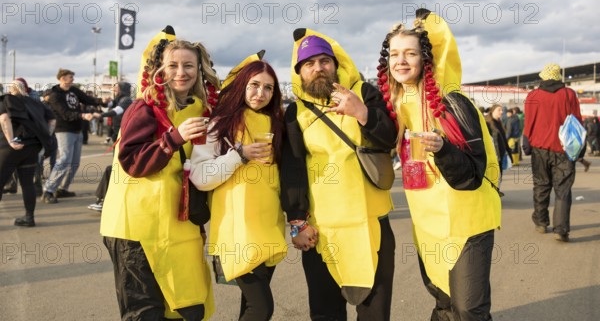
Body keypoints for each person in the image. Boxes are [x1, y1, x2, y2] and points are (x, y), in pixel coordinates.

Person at [379, 9, 501, 320]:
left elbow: (473, 173)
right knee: (444, 301)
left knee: (469, 309)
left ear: (426, 59)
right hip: (427, 223)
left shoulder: (452, 102)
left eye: (410, 53)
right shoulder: (401, 102)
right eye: (394, 54)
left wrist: (442, 148)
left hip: (467, 221)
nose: (401, 61)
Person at [100, 26, 219, 320]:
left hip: (177, 225)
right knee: (145, 312)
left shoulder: (200, 110)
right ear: (159, 71)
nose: (181, 72)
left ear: (199, 69)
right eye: (173, 65)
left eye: (188, 65)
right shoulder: (143, 108)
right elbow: (132, 161)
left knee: (187, 306)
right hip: (134, 229)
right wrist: (173, 139)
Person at [281, 31, 397, 320]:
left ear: (335, 64)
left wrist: (362, 113)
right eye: (309, 64)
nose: (318, 68)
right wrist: (296, 223)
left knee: (375, 313)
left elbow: (389, 139)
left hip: (372, 223)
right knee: (326, 314)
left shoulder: (364, 92)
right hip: (322, 232)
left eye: (324, 61)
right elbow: (292, 168)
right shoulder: (296, 112)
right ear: (299, 73)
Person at [190, 54, 287, 321]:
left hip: (269, 226)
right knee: (261, 308)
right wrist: (239, 154)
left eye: (268, 88)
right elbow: (200, 176)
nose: (261, 93)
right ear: (242, 84)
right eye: (254, 85)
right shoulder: (218, 124)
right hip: (237, 231)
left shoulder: (278, 124)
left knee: (249, 307)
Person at [523, 63, 583, 242]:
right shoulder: (569, 94)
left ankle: (541, 223)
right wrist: (581, 148)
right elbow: (577, 121)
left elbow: (529, 122)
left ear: (543, 77)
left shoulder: (533, 95)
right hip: (564, 148)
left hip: (539, 148)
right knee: (563, 189)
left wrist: (526, 141)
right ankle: (561, 229)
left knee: (541, 185)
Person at [0, 80, 55, 226]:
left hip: (9, 149)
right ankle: (29, 218)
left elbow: (4, 119)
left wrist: (11, 140)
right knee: (27, 183)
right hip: (32, 147)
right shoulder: (36, 103)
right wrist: (45, 138)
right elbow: (52, 120)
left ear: (11, 89)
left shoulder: (6, 99)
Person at [41, 68, 99, 203]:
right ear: (62, 78)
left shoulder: (74, 91)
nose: (72, 79)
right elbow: (65, 113)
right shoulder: (55, 95)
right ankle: (48, 190)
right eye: (70, 77)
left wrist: (104, 102)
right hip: (64, 130)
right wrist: (83, 115)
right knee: (64, 160)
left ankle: (62, 189)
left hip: (77, 130)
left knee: (75, 163)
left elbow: (88, 99)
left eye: (72, 77)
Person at [87, 82, 133, 212]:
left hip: (123, 137)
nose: (114, 89)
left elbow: (116, 111)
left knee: (116, 168)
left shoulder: (126, 100)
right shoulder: (118, 99)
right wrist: (102, 102)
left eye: (116, 87)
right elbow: (109, 105)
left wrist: (100, 115)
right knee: (115, 167)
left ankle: (108, 199)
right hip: (117, 135)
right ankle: (108, 198)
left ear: (122, 89)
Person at [485, 104, 511, 190]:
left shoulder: (499, 122)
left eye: (502, 110)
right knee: (493, 178)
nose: (501, 112)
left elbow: (504, 139)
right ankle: (493, 196)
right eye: (499, 110)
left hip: (500, 155)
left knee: (499, 177)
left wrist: (509, 152)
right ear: (493, 111)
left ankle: (496, 193)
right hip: (493, 155)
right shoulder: (487, 123)